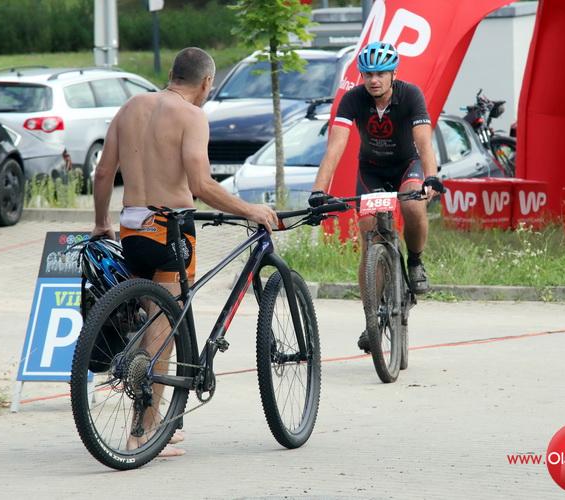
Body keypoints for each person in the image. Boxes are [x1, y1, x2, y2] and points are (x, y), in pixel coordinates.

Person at [92, 47, 278, 456]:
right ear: (207, 82)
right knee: (163, 333)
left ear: (173, 74)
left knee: (152, 323)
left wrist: (101, 221)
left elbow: (104, 172)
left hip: (131, 228)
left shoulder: (130, 107)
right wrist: (250, 210)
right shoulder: (192, 116)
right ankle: (142, 433)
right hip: (170, 230)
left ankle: (159, 418)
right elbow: (201, 185)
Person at [309, 41, 444, 353]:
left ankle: (415, 261)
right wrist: (318, 190)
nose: (374, 80)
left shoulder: (410, 95)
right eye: (368, 74)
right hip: (371, 171)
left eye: (381, 73)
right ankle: (372, 319)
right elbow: (335, 147)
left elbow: (423, 142)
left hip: (406, 166)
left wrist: (431, 176)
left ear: (393, 73)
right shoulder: (353, 99)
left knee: (412, 205)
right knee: (369, 231)